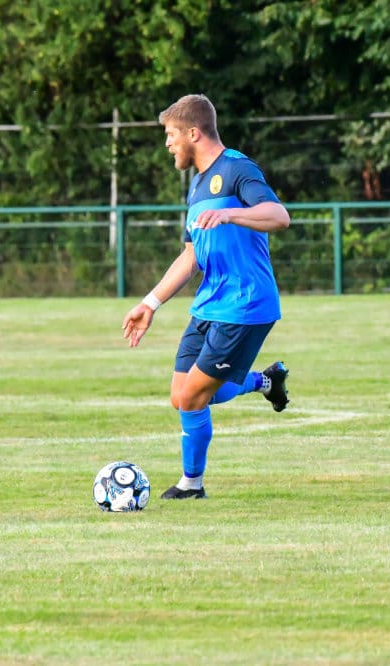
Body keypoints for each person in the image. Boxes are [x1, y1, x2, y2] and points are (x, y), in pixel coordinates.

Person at [122, 93, 291, 500]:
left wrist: (231, 213)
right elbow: (191, 256)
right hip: (210, 303)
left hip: (245, 303)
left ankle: (191, 485)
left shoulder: (236, 168)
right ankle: (265, 381)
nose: (167, 143)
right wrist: (150, 303)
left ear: (194, 133)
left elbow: (279, 216)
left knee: (194, 397)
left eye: (171, 134)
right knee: (181, 396)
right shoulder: (197, 186)